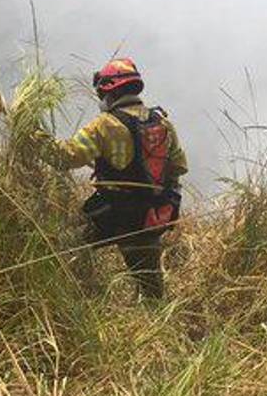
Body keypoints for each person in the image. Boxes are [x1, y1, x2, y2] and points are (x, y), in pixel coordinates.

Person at [35, 57, 188, 300]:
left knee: (62, 248)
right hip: (152, 218)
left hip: (112, 215)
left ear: (108, 91)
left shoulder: (104, 125)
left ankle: (77, 300)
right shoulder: (163, 123)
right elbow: (178, 167)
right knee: (152, 291)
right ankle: (159, 328)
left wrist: (34, 135)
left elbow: (64, 158)